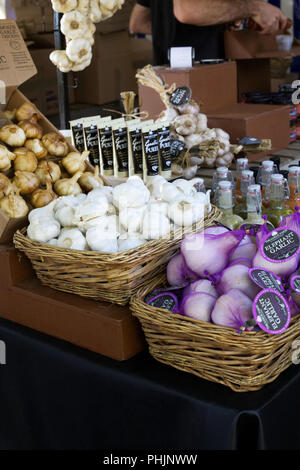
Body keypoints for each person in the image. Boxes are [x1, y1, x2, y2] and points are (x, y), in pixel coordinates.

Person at [129, 0, 290, 66]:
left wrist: (166, 29)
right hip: (199, 81)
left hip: (168, 77)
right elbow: (189, 11)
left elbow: (138, 23)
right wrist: (256, 8)